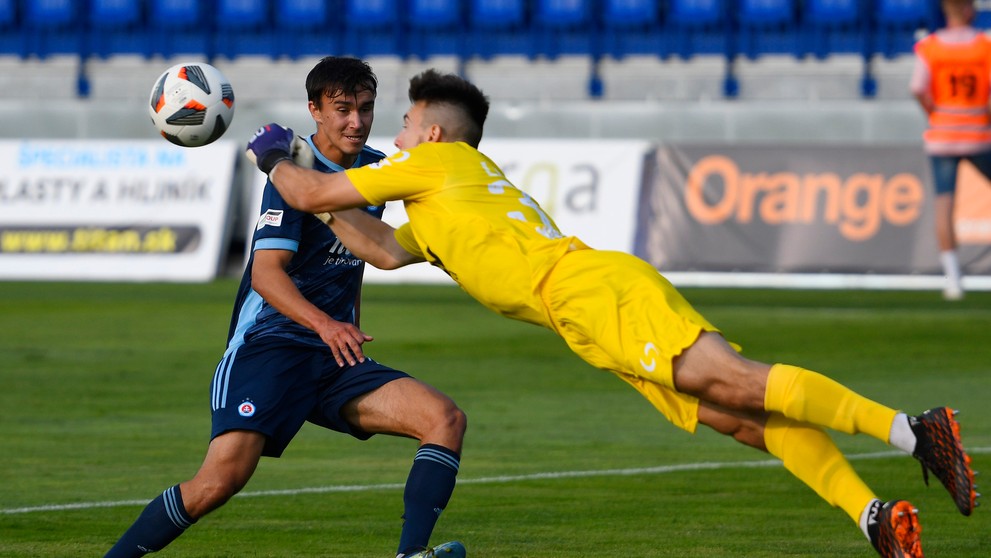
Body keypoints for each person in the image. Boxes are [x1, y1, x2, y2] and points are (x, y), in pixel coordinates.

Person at [245, 69, 979, 558]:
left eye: (401, 121)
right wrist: (311, 172)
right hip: (584, 311)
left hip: (591, 291)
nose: (393, 134)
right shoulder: (441, 200)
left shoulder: (432, 165)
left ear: (432, 134)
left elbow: (310, 198)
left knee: (734, 381)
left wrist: (276, 156)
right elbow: (377, 247)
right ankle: (872, 518)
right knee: (737, 417)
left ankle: (914, 432)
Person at [106, 58, 467, 558]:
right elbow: (265, 274)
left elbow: (364, 258)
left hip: (333, 356)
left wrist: (346, 324)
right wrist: (325, 323)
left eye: (365, 109)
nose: (356, 122)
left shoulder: (377, 169)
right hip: (272, 347)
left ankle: (411, 554)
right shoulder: (291, 172)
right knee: (217, 483)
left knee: (444, 418)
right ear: (314, 110)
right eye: (342, 109)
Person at [910, 0, 991, 301]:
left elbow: (917, 88)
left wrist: (933, 112)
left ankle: (953, 279)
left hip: (942, 133)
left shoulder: (930, 47)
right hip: (979, 133)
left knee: (944, 204)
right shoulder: (984, 46)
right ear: (969, 10)